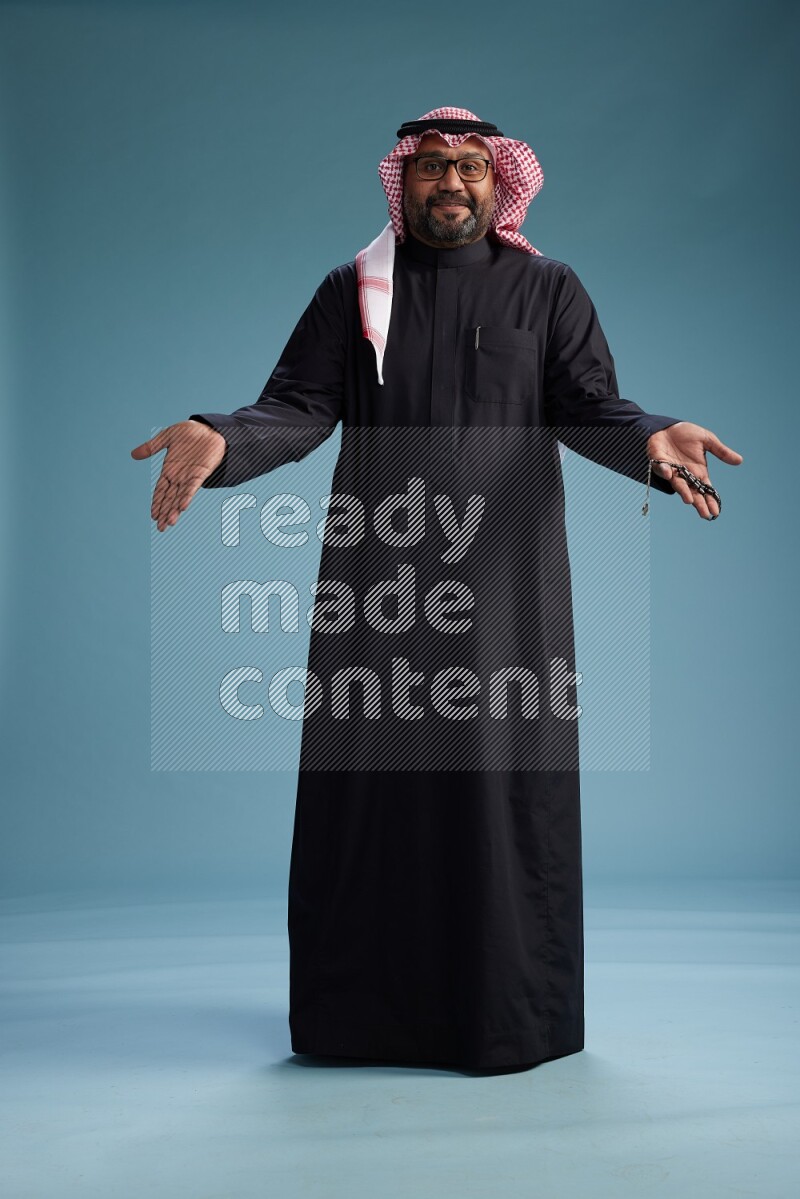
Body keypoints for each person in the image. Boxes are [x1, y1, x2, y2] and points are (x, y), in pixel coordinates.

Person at [131, 107, 742, 1074]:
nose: (450, 183)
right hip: (377, 595)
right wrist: (222, 436)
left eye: (468, 168)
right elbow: (294, 409)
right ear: (400, 181)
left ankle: (509, 1016)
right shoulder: (351, 293)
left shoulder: (547, 290)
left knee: (503, 800)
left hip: (508, 604)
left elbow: (593, 407)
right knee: (369, 799)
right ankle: (359, 1020)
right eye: (430, 169)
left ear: (500, 185)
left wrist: (652, 442)